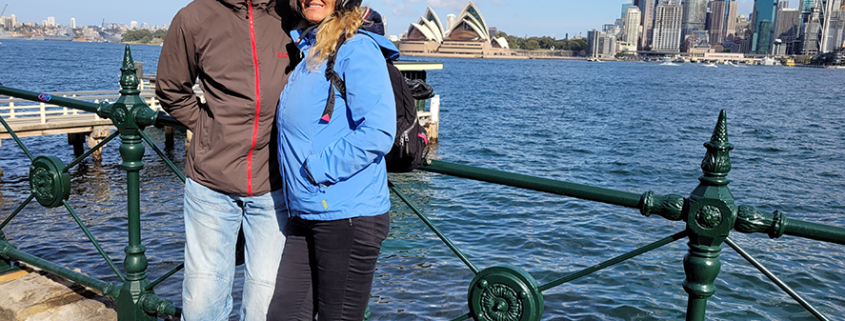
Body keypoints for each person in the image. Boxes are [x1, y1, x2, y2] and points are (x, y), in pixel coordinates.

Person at [155, 1, 296, 320]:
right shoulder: (194, 17)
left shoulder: (290, 14)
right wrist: (207, 127)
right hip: (210, 183)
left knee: (267, 297)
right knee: (204, 296)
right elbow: (171, 89)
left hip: (275, 182)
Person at [266, 0, 397, 319]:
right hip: (308, 211)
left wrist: (317, 170)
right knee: (283, 315)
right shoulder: (309, 49)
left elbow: (378, 131)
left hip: (346, 214)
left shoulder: (356, 48)